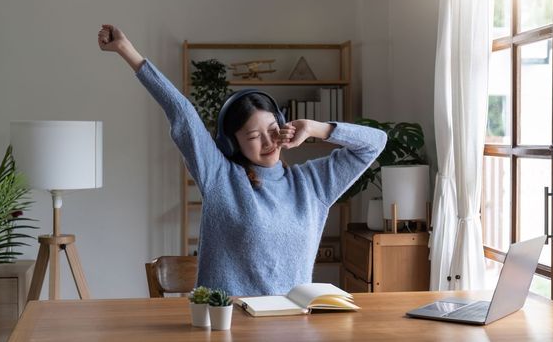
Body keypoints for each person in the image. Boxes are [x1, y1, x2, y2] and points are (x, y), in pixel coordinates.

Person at [98, 24, 387, 296]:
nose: (267, 141)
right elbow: (182, 114)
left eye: (272, 130)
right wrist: (127, 51)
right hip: (227, 324)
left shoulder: (312, 185)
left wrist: (316, 129)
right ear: (232, 143)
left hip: (291, 326)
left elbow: (375, 143)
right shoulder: (220, 177)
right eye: (252, 136)